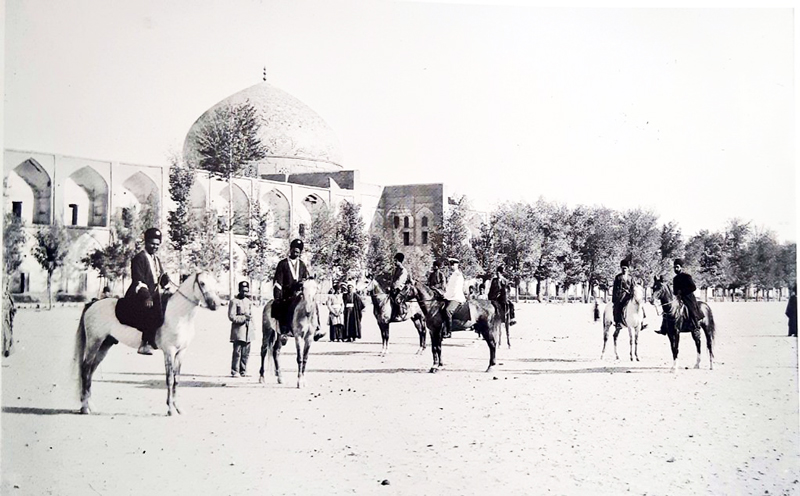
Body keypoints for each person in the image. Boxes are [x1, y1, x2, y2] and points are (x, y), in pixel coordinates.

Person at [125, 228, 172, 355]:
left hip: (153, 294)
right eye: (152, 243)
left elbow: (159, 277)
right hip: (139, 294)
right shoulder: (139, 258)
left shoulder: (156, 259)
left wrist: (165, 280)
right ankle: (144, 343)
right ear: (146, 242)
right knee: (151, 312)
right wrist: (146, 296)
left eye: (157, 244)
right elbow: (138, 279)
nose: (155, 246)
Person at [271, 238, 312, 341]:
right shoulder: (283, 264)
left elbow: (305, 278)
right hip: (286, 294)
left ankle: (316, 328)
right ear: (290, 250)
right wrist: (278, 296)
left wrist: (304, 282)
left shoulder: (302, 265)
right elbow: (278, 281)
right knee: (284, 306)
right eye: (294, 250)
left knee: (312, 305)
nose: (295, 253)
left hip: (299, 294)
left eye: (298, 251)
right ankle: (284, 331)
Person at [228, 280, 252, 377]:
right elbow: (231, 316)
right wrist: (243, 318)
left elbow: (251, 315)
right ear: (239, 290)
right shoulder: (234, 301)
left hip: (248, 330)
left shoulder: (248, 302)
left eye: (246, 291)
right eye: (243, 291)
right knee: (237, 352)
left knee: (246, 353)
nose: (245, 293)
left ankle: (243, 371)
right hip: (238, 330)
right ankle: (235, 371)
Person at [673, 258, 701, 332]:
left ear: (681, 268)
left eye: (677, 267)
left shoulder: (687, 276)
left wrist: (682, 291)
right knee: (668, 311)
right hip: (679, 298)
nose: (676, 269)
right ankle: (664, 327)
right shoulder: (675, 279)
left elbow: (693, 287)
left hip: (688, 298)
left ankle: (696, 327)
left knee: (691, 310)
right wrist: (677, 293)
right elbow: (674, 291)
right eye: (674, 267)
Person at [442, 257, 466, 339]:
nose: (451, 266)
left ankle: (449, 332)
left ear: (457, 265)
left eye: (453, 264)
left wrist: (446, 296)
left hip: (456, 297)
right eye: (450, 265)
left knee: (448, 310)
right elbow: (448, 287)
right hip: (450, 296)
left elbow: (455, 289)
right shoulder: (453, 275)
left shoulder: (458, 275)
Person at [390, 252, 410, 321]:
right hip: (395, 288)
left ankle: (400, 314)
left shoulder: (403, 271)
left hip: (402, 288)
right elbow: (393, 279)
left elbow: (399, 281)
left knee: (397, 299)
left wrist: (394, 286)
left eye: (396, 261)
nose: (394, 262)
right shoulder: (396, 270)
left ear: (399, 261)